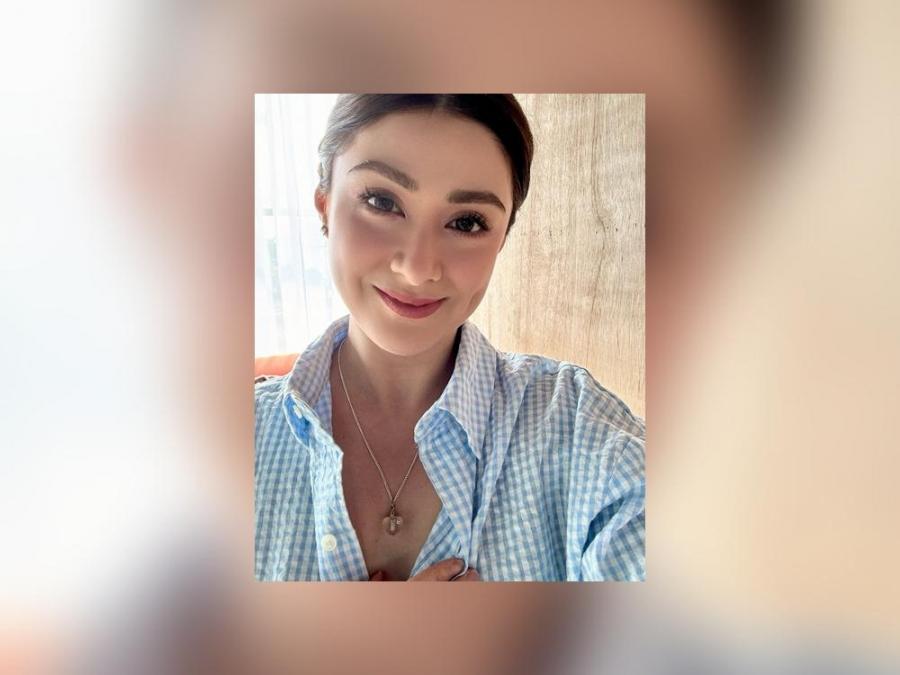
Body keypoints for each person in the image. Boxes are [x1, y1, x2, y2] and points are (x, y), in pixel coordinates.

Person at [254, 94, 645, 581]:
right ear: (325, 206)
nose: (418, 269)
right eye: (381, 202)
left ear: (501, 239)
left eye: (467, 222)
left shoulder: (579, 429)